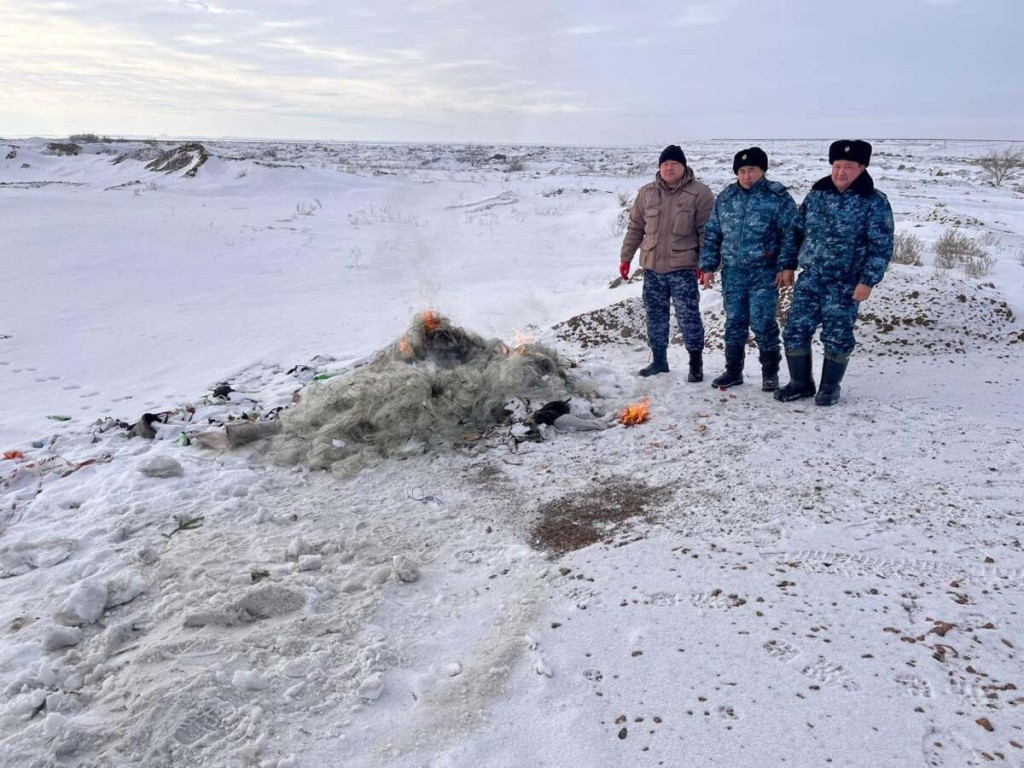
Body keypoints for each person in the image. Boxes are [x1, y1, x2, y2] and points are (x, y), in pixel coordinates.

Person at [774, 139, 894, 406]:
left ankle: (830, 387)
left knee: (837, 335)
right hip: (812, 277)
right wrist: (787, 265)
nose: (841, 172)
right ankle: (800, 383)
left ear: (862, 168)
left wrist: (868, 281)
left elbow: (881, 246)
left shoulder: (873, 202)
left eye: (848, 167)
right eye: (837, 165)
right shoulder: (817, 195)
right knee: (795, 331)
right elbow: (795, 231)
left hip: (846, 283)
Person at [698, 147, 799, 391]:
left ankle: (770, 373)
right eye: (741, 171)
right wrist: (709, 266)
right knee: (734, 322)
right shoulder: (726, 197)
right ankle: (733, 371)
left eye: (751, 170)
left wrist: (786, 265)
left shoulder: (777, 198)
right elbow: (713, 234)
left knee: (763, 322)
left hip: (764, 272)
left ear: (762, 170)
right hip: (733, 272)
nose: (746, 176)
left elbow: (791, 234)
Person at [619, 145, 715, 379]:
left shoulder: (700, 193)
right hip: (652, 267)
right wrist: (626, 257)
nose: (669, 168)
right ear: (660, 167)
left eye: (674, 164)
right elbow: (635, 228)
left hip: (683, 268)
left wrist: (706, 264)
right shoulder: (647, 192)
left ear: (684, 166)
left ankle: (695, 364)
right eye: (665, 164)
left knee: (688, 316)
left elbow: (707, 232)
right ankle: (659, 361)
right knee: (655, 315)